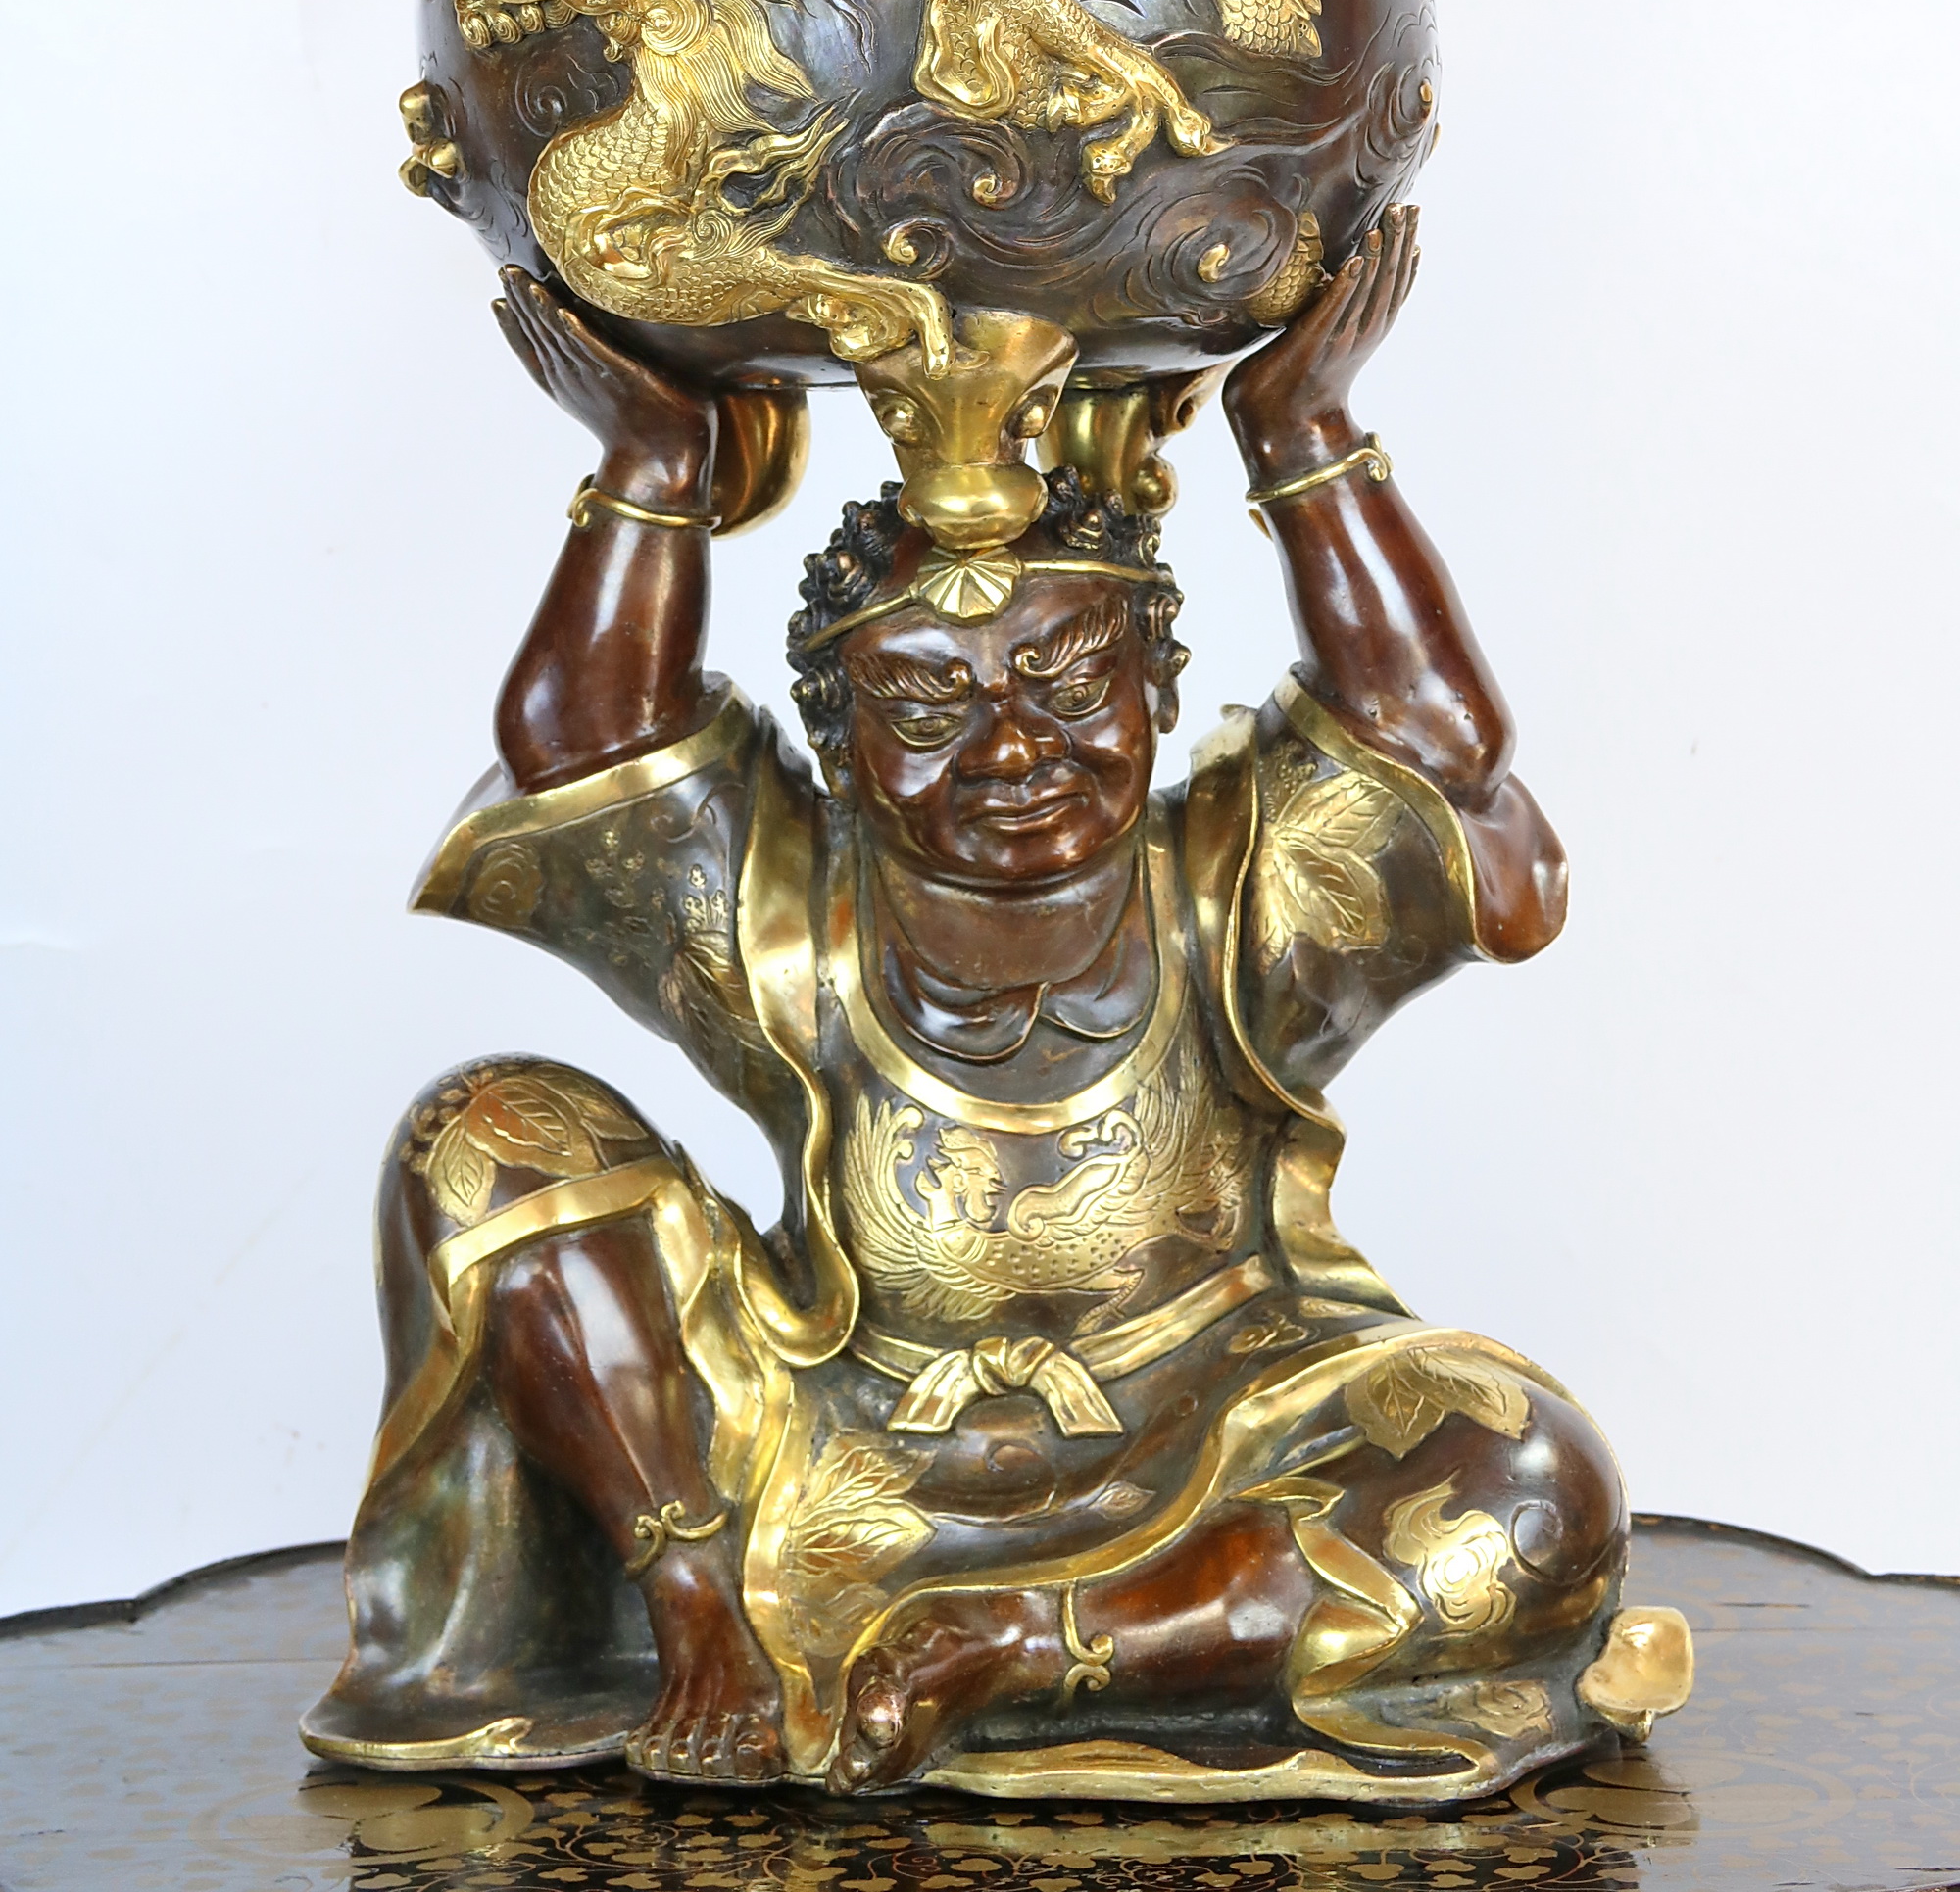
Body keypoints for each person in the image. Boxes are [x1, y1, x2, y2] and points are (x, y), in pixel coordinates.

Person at [302, 210, 1686, 1800]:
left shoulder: (1231, 891)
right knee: (489, 1135)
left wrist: (1306, 434)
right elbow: (586, 745)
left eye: (1070, 683)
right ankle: (701, 1620)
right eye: (924, 704)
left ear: (1159, 691)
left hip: (1214, 1439)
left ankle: (1031, 1645)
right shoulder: (796, 916)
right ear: (837, 743)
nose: (1013, 749)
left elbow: (1438, 750)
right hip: (835, 1448)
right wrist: (654, 469)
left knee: (1530, 1473)